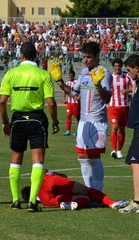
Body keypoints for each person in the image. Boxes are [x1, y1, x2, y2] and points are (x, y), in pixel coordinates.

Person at [0, 42, 60, 213]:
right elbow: (50, 103)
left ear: (21, 55)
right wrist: (55, 122)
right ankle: (32, 201)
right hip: (37, 120)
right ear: (36, 56)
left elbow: (2, 101)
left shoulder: (11, 73)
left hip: (17, 120)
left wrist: (5, 122)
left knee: (16, 160)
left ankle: (16, 199)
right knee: (38, 161)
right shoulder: (43, 74)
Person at [49, 41, 112, 191]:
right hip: (83, 122)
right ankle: (91, 190)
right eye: (84, 56)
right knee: (82, 157)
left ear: (97, 56)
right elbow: (74, 94)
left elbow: (107, 98)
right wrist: (59, 82)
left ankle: (97, 192)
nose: (85, 60)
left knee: (94, 156)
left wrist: (98, 86)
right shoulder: (83, 73)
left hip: (97, 121)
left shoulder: (104, 73)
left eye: (89, 57)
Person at [119, 54, 139, 213]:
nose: (128, 73)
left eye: (129, 70)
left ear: (136, 68)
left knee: (136, 162)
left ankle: (138, 201)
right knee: (135, 163)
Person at [21, 169, 129, 210]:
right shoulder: (37, 179)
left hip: (48, 199)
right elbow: (64, 175)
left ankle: (68, 204)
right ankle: (112, 204)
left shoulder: (43, 201)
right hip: (49, 180)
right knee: (87, 191)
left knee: (84, 199)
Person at [108, 58, 133, 159]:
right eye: (116, 66)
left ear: (121, 66)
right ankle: (113, 150)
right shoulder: (109, 77)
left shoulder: (127, 77)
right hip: (113, 106)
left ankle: (119, 150)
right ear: (113, 66)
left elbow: (134, 87)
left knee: (122, 129)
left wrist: (127, 90)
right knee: (114, 127)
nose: (117, 67)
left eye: (119, 66)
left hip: (124, 106)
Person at [62, 69, 80, 136]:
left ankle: (78, 131)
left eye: (71, 75)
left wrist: (78, 98)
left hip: (75, 103)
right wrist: (64, 99)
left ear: (74, 76)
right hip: (69, 103)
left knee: (77, 117)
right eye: (69, 75)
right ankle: (68, 130)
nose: (70, 77)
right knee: (68, 116)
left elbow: (78, 91)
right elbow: (64, 91)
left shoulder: (77, 82)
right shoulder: (67, 83)